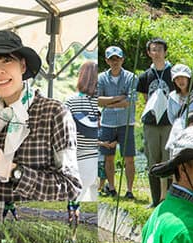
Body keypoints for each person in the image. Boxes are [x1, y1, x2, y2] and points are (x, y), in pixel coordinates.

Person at [0, 30, 82, 201]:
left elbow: (71, 188)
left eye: (7, 60)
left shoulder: (54, 113)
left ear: (22, 66)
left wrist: (12, 170)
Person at [137, 38, 175, 207]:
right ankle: (155, 199)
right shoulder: (145, 75)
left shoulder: (173, 73)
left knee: (168, 160)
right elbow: (145, 98)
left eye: (160, 49)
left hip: (169, 123)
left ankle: (168, 198)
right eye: (153, 49)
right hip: (151, 123)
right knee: (152, 160)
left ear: (165, 52)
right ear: (149, 53)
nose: (157, 52)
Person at [97, 45, 137, 199]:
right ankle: (112, 188)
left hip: (126, 122)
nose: (115, 62)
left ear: (122, 60)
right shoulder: (101, 78)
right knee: (108, 157)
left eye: (118, 59)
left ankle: (129, 190)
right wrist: (118, 98)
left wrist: (108, 102)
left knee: (129, 158)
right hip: (108, 123)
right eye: (112, 59)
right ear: (107, 60)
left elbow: (130, 100)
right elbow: (98, 100)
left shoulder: (131, 77)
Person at [66, 60, 100, 201]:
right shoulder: (101, 102)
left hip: (78, 159)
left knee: (75, 200)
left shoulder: (70, 102)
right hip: (98, 157)